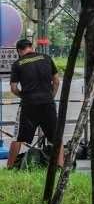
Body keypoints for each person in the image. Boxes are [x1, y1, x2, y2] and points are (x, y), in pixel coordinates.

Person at [7, 39, 61, 170]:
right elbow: (56, 81)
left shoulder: (18, 63)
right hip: (48, 103)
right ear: (32, 47)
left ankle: (9, 169)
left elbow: (14, 88)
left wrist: (24, 96)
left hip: (28, 105)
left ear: (19, 51)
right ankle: (60, 168)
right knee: (56, 138)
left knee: (18, 138)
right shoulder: (47, 58)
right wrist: (51, 96)